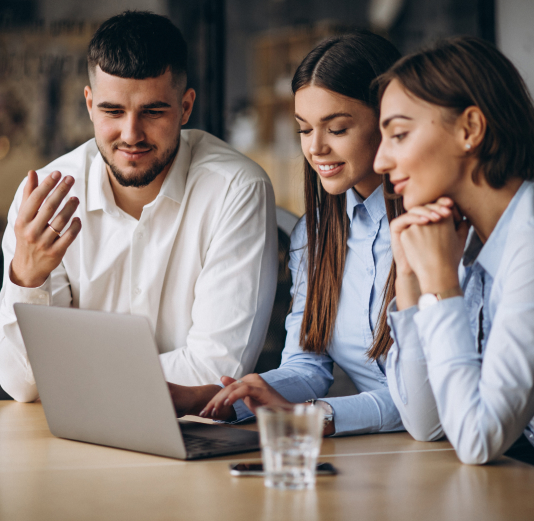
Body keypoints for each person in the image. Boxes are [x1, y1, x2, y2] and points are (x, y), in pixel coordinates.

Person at [0, 11, 278, 403]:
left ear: (186, 107)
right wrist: (27, 277)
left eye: (153, 111)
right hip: (69, 439)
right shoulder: (42, 200)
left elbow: (216, 372)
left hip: (192, 442)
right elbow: (22, 383)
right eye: (112, 111)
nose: (131, 135)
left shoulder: (236, 189)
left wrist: (66, 375)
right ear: (90, 104)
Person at [168, 31, 405, 437]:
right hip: (394, 455)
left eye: (337, 128)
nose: (315, 148)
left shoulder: (436, 229)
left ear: (389, 122)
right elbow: (307, 366)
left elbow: (426, 403)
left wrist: (316, 416)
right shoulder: (314, 237)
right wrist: (217, 400)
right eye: (304, 129)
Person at [373, 36, 534, 472]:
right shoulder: (468, 238)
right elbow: (426, 421)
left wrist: (441, 282)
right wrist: (412, 283)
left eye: (398, 134)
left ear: (470, 129)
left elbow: (477, 440)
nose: (380, 160)